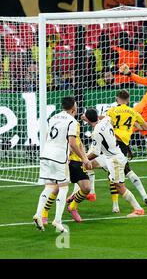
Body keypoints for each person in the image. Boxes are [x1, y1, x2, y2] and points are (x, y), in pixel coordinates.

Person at [33, 96, 91, 233]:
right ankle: (57, 221)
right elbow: (72, 143)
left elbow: (47, 136)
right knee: (63, 188)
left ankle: (38, 214)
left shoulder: (53, 118)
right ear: (73, 108)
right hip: (59, 157)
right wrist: (84, 158)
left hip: (46, 154)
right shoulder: (72, 121)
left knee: (49, 186)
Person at [84, 108, 145, 217]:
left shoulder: (96, 132)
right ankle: (91, 192)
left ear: (88, 120)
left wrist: (83, 158)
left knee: (119, 186)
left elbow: (95, 153)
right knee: (89, 165)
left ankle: (138, 209)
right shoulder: (106, 120)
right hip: (109, 156)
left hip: (114, 159)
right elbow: (108, 118)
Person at [105, 89, 147, 212]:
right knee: (127, 170)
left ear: (117, 99)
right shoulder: (133, 112)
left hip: (111, 143)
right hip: (123, 145)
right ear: (128, 100)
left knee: (113, 174)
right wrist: (133, 125)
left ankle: (115, 206)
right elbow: (146, 127)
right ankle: (145, 196)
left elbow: (106, 124)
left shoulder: (112, 110)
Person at [42, 120, 93, 224]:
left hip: (77, 160)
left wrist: (84, 157)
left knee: (86, 188)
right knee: (56, 188)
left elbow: (79, 142)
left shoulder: (75, 124)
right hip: (64, 160)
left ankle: (72, 207)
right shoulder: (59, 123)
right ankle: (44, 213)